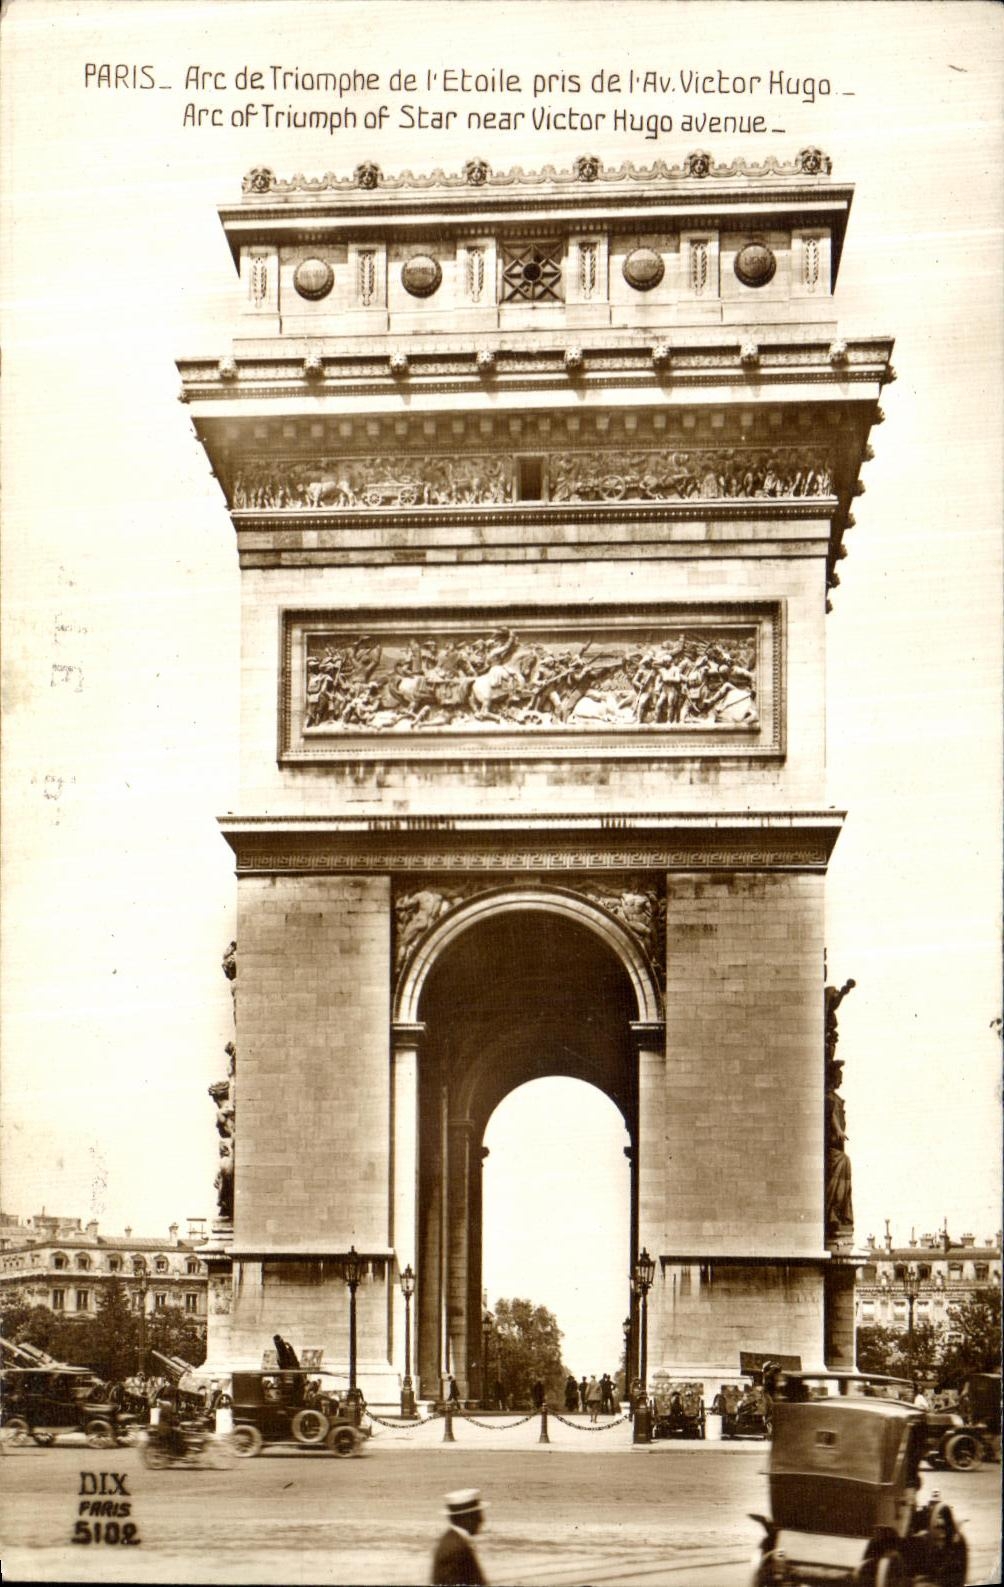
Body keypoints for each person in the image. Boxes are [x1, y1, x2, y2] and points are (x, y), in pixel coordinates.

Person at [430, 1489, 487, 1586]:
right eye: (477, 1515)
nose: (481, 1520)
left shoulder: (454, 1541)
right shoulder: (456, 1549)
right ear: (466, 1518)